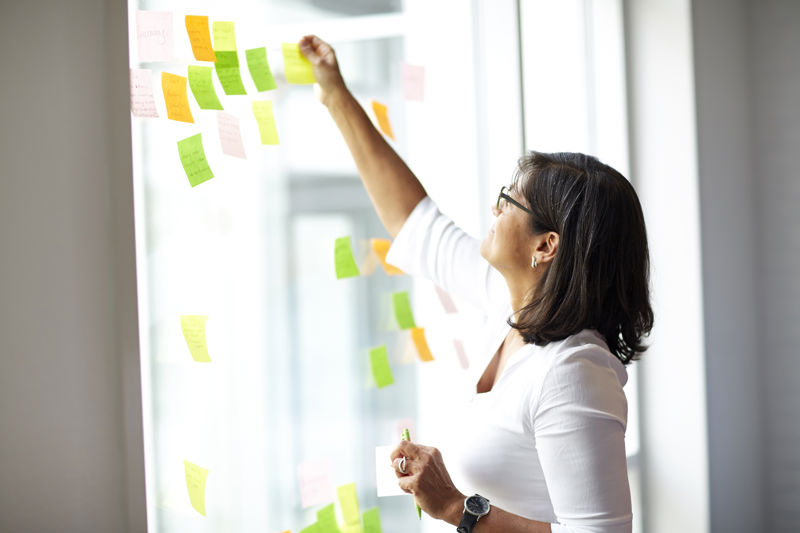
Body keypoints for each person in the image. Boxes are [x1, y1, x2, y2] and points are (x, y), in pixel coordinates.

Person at [298, 35, 653, 533]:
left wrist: (456, 507)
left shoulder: (573, 370)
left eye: (510, 200)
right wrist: (335, 93)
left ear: (545, 246)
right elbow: (414, 222)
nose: (495, 208)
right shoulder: (510, 310)